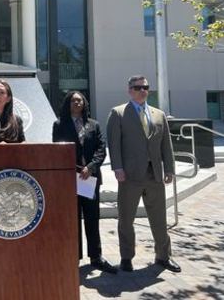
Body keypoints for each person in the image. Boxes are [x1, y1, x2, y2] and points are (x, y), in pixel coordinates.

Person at [106, 75, 181, 273]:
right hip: (130, 176)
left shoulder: (158, 114)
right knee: (126, 219)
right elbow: (114, 144)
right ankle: (126, 257)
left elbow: (166, 144)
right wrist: (118, 168)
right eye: (138, 87)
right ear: (129, 89)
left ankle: (163, 256)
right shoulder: (119, 113)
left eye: (145, 87)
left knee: (159, 218)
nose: (142, 90)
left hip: (154, 175)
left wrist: (170, 169)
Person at [52, 91, 117, 274]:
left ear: (85, 103)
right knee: (72, 220)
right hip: (70, 180)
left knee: (92, 218)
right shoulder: (59, 125)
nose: (77, 103)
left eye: (80, 100)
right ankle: (74, 256)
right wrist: (74, 168)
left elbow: (101, 149)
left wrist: (91, 167)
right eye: (73, 100)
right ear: (68, 103)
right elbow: (57, 150)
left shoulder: (93, 125)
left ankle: (96, 256)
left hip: (90, 179)